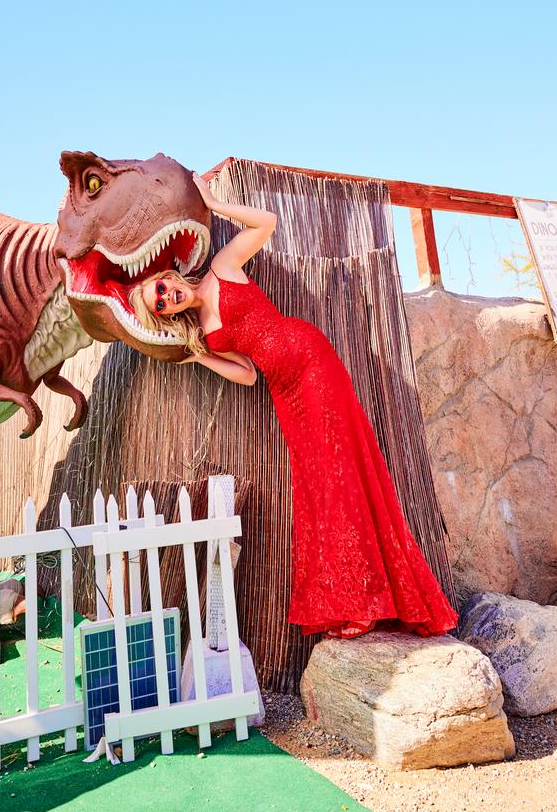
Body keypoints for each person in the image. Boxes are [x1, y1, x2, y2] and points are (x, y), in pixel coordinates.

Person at [129, 173, 458, 640]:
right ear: (165, 313)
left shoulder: (222, 267)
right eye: (159, 304)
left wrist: (215, 203)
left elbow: (265, 223)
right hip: (285, 391)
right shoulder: (203, 332)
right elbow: (248, 374)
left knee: (339, 474)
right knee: (317, 486)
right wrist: (200, 356)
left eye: (160, 288)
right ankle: (349, 599)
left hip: (310, 362)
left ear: (167, 277)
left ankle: (366, 602)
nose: (165, 296)